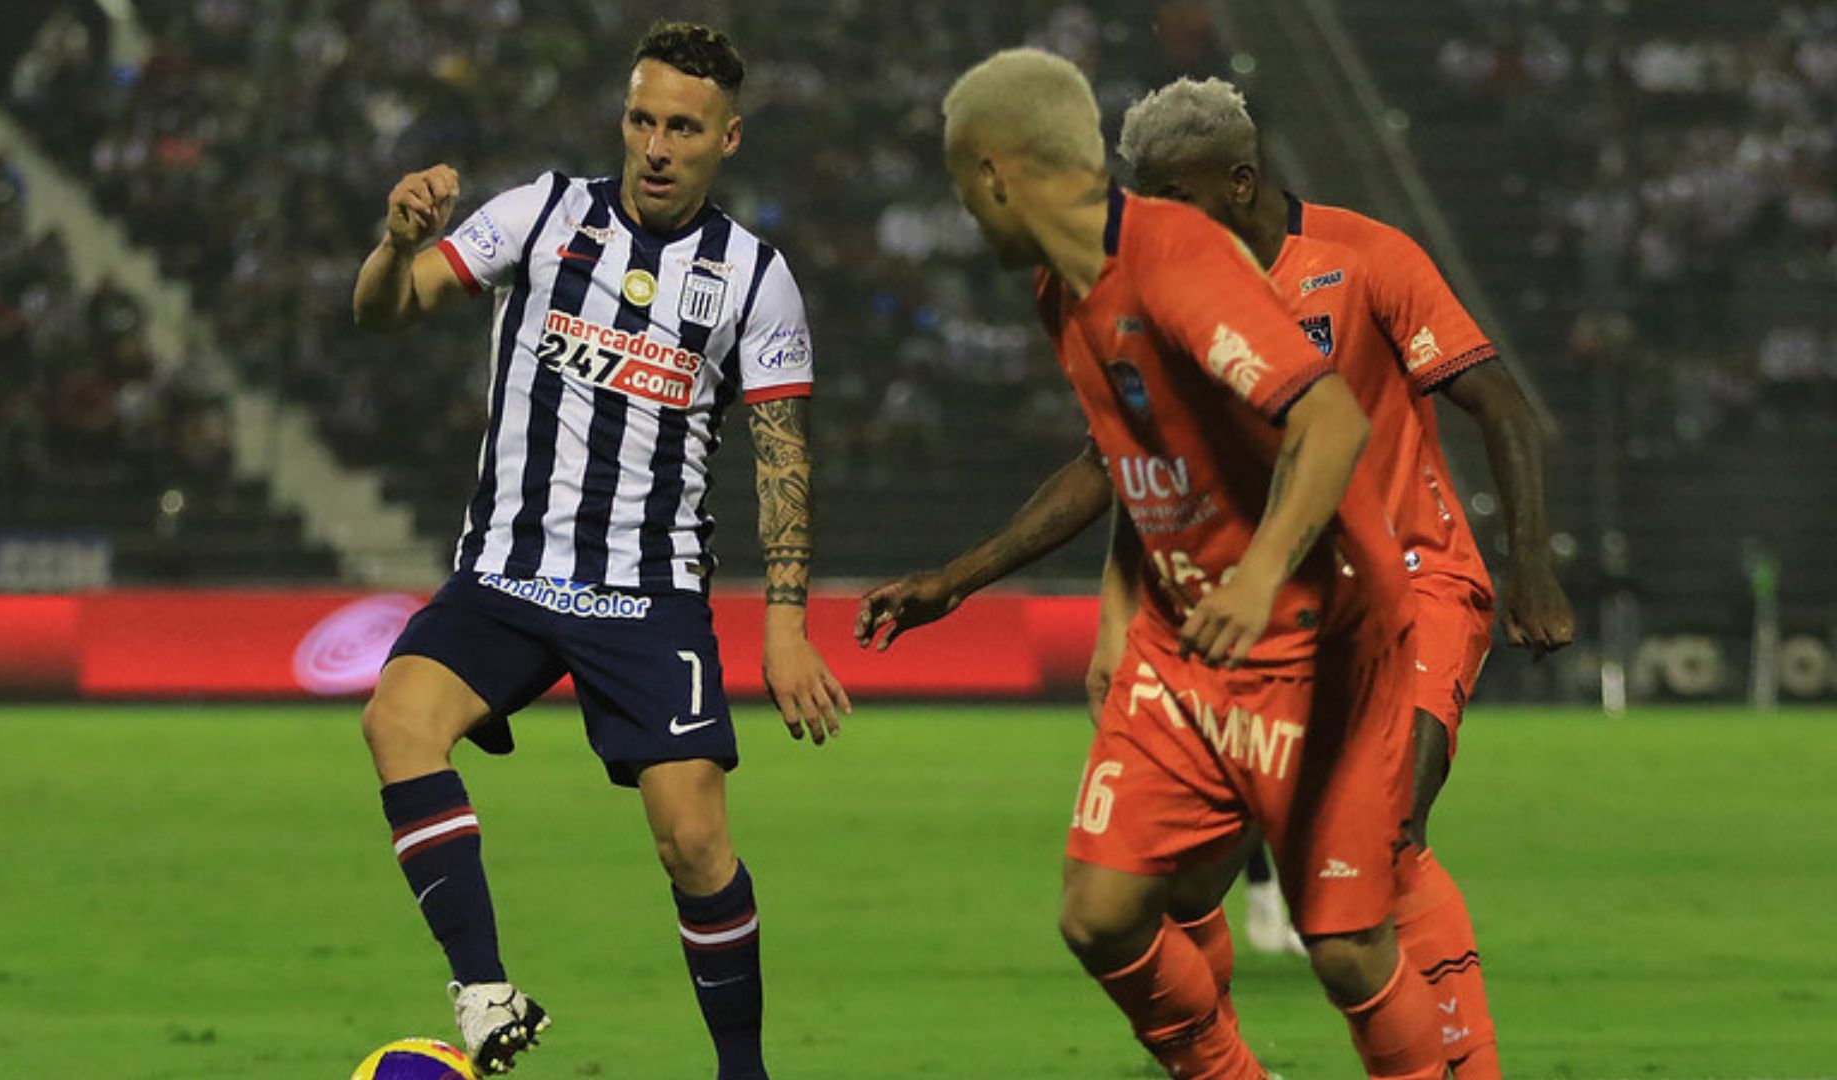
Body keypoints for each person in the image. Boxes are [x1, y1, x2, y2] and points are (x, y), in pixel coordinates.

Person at [859, 73, 1574, 1079]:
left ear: (1240, 181)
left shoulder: (1366, 259)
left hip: (1404, 579)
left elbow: (1498, 404)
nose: (1153, 213)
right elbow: (1122, 460)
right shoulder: (1136, 281)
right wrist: (979, 580)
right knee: (1163, 891)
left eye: (1175, 194)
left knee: (1387, 837)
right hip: (1238, 608)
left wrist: (1530, 569)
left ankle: (1463, 1063)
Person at [350, 22, 850, 1078]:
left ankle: (742, 1072)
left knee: (694, 843)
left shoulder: (756, 280)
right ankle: (483, 993)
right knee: (398, 719)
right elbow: (382, 315)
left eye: (683, 127)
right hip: (507, 574)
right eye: (642, 119)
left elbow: (782, 463)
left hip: (646, 593)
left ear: (728, 139)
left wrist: (789, 625)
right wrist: (396, 243)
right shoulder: (539, 213)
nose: (657, 145)